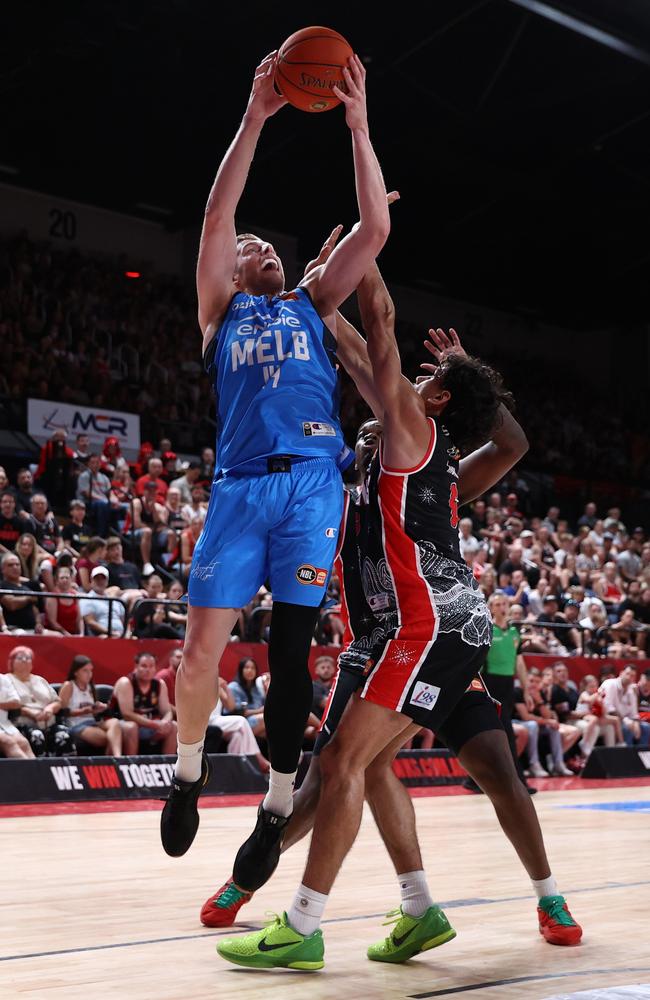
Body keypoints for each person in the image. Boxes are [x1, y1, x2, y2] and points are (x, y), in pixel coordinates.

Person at [216, 297, 580, 963]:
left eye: (418, 391)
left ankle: (543, 895)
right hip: (378, 639)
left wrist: (459, 375)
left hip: (430, 629)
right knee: (347, 769)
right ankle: (408, 906)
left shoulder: (428, 462)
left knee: (452, 766)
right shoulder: (349, 475)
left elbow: (379, 355)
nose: (400, 393)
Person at [161, 49, 390, 861]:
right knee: (198, 658)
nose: (256, 245)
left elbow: (375, 230)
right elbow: (217, 219)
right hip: (238, 489)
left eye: (266, 242)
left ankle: (276, 801)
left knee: (292, 655)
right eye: (248, 243)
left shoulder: (313, 303)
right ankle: (187, 772)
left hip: (313, 493)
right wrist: (257, 116)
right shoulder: (221, 311)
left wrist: (358, 128)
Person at [59, 655, 137, 755]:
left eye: (90, 671)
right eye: (85, 671)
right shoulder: (69, 685)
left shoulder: (90, 687)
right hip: (76, 724)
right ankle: (113, 761)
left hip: (92, 722)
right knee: (108, 737)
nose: (89, 674)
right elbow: (61, 712)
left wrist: (99, 709)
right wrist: (85, 711)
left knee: (114, 723)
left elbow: (92, 711)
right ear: (75, 672)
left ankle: (118, 758)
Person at [8, 645, 74, 756]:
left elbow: (58, 702)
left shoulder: (40, 680)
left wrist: (50, 708)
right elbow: (5, 705)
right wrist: (29, 712)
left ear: (32, 663)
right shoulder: (6, 680)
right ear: (11, 662)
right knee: (37, 735)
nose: (24, 660)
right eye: (20, 658)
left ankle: (65, 769)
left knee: (64, 734)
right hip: (22, 723)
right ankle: (39, 771)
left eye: (27, 658)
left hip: (48, 723)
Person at [113, 651, 177, 754]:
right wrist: (154, 724)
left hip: (151, 725)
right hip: (123, 724)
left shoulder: (159, 684)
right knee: (131, 727)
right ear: (136, 666)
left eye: (151, 666)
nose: (148, 670)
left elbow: (167, 711)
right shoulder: (126, 682)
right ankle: (131, 765)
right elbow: (127, 714)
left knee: (174, 726)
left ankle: (167, 765)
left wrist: (165, 722)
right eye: (144, 666)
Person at [206, 676, 269, 773]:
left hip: (218, 719)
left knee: (237, 736)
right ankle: (259, 758)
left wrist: (225, 688)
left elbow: (230, 707)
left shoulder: (216, 684)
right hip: (206, 720)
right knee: (241, 721)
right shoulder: (199, 682)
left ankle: (236, 771)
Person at [600, 666, 650, 747]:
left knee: (646, 728)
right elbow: (609, 709)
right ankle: (627, 757)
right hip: (610, 719)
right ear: (621, 673)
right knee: (627, 729)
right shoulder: (610, 684)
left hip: (626, 720)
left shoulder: (632, 689)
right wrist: (626, 721)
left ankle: (639, 756)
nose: (629, 677)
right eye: (627, 674)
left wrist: (636, 723)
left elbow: (634, 712)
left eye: (633, 676)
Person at [80, 565, 126, 637]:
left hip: (121, 634)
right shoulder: (87, 599)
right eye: (97, 579)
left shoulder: (115, 600)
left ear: (107, 581)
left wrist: (127, 632)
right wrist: (110, 632)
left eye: (103, 579)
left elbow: (124, 620)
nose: (100, 581)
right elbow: (90, 622)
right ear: (91, 581)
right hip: (101, 635)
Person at [226, 657, 266, 739]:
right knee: (267, 718)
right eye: (247, 667)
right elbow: (235, 711)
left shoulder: (256, 689)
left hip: (257, 722)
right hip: (240, 722)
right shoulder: (233, 687)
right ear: (241, 670)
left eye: (253, 668)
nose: (250, 670)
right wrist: (258, 711)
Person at [0, 668, 35, 758]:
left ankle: (36, 771)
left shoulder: (4, 679)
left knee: (23, 743)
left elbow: (16, 703)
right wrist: (6, 705)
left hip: (4, 723)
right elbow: (12, 703)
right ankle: (28, 771)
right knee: (8, 742)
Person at [45, 564, 83, 636]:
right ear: (56, 580)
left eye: (67, 578)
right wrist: (66, 634)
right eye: (62, 578)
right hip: (57, 634)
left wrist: (81, 633)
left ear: (71, 579)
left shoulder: (75, 595)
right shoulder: (52, 596)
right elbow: (52, 622)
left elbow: (79, 619)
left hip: (73, 634)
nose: (65, 580)